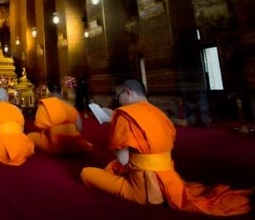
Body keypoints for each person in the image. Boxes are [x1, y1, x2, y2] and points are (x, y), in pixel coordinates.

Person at [80, 78, 252, 216]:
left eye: (118, 97)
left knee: (86, 173)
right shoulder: (160, 114)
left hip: (145, 190)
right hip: (170, 180)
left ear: (129, 93)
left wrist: (112, 127)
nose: (118, 101)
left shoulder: (124, 117)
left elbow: (123, 160)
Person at [27, 83, 93, 155]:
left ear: (48, 92)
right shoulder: (69, 105)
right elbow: (79, 128)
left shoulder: (44, 106)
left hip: (56, 145)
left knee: (30, 136)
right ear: (61, 92)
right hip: (75, 143)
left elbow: (39, 125)